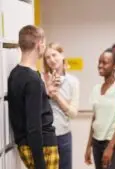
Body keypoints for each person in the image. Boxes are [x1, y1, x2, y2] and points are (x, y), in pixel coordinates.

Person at [7, 25, 59, 169]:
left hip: (26, 144)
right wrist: (40, 164)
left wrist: (46, 93)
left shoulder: (15, 74)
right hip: (43, 146)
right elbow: (34, 125)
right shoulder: (32, 79)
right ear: (39, 44)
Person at [85, 42, 115, 169]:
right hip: (96, 142)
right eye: (99, 62)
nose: (100, 65)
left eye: (104, 62)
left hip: (113, 143)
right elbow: (95, 118)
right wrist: (89, 146)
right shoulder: (96, 88)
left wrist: (110, 147)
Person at [42, 42, 80, 169]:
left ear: (62, 55)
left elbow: (73, 113)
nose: (51, 60)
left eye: (54, 55)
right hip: (45, 136)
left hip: (64, 136)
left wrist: (56, 96)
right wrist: (47, 89)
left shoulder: (73, 82)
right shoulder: (41, 80)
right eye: (47, 57)